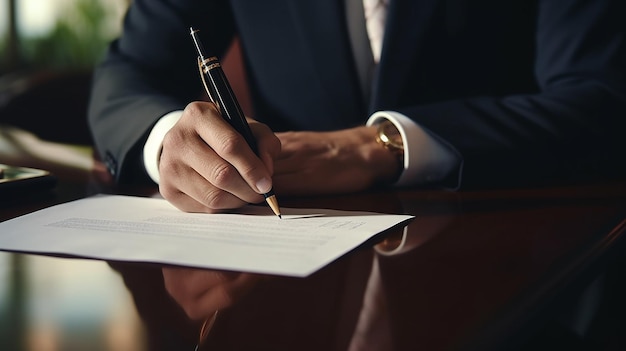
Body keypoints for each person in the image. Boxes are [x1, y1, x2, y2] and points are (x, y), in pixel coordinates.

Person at [88, 0, 626, 324]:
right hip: (288, 275)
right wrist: (166, 144)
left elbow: (602, 96)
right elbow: (126, 74)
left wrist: (380, 145)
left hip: (519, 267)